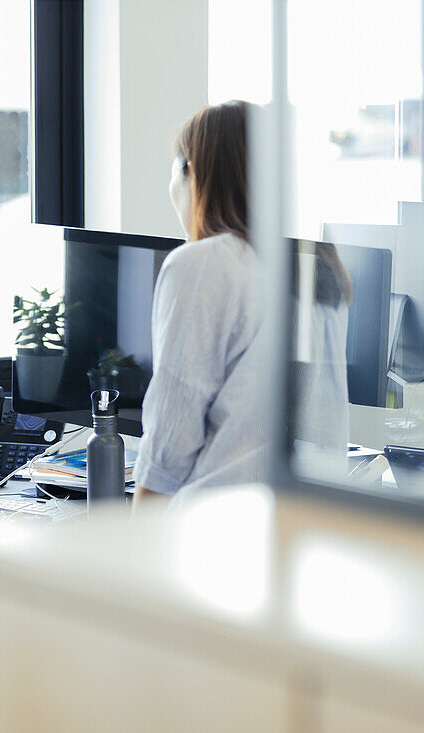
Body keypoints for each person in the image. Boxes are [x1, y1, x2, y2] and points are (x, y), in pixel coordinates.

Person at [132, 101, 351, 507]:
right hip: (307, 520)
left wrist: (137, 542)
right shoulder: (319, 267)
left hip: (215, 526)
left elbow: (171, 436)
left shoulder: (203, 264)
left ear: (191, 173)